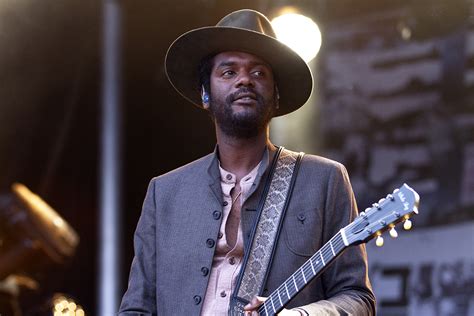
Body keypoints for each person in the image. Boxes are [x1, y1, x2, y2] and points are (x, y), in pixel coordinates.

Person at [119, 9, 375, 316]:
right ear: (205, 94)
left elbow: (358, 298)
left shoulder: (325, 180)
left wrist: (300, 315)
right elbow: (136, 308)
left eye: (258, 73)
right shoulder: (164, 194)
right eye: (229, 72)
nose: (244, 80)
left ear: (276, 95)